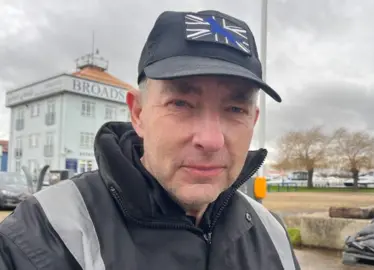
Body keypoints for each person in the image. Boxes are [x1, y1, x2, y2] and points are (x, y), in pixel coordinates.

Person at [0, 10, 300, 270]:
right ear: (138, 113)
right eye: (181, 104)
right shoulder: (42, 235)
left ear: (254, 121)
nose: (210, 140)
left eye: (235, 109)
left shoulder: (270, 232)